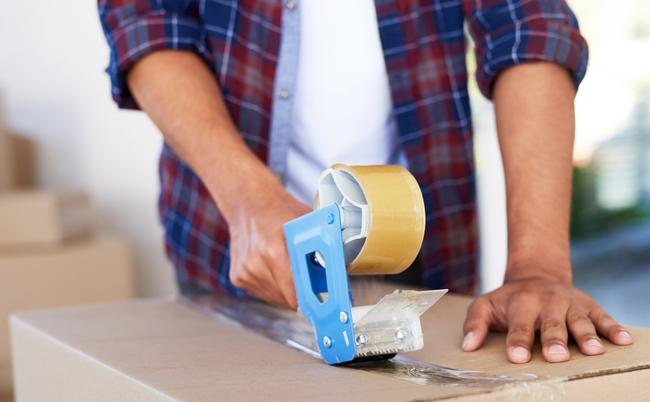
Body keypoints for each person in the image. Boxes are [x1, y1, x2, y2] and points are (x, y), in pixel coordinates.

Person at [98, 0, 633, 364]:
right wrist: (247, 201)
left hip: (421, 250)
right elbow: (148, 20)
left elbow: (527, 24)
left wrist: (538, 265)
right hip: (230, 239)